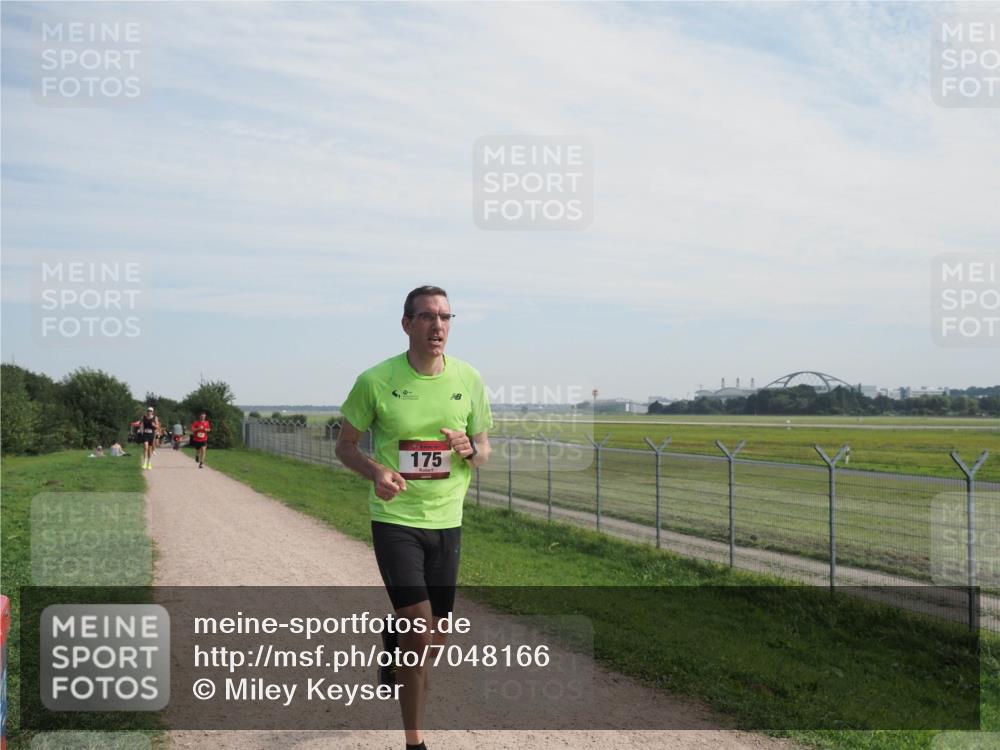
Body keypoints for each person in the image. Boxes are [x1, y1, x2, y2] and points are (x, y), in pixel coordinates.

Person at [335, 285, 492, 750]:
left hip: (447, 521)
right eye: (426, 316)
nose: (437, 325)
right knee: (420, 630)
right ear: (407, 324)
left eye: (445, 317)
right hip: (396, 518)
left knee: (433, 635)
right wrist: (376, 470)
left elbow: (482, 450)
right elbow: (344, 447)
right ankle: (414, 742)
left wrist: (470, 451)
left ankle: (395, 643)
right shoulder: (375, 381)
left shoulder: (469, 379)